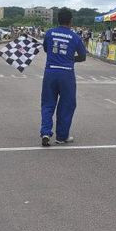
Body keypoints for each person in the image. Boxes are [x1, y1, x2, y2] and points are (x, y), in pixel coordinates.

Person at [41, 8, 87, 146]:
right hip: (67, 73)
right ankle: (61, 136)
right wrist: (72, 59)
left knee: (48, 103)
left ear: (58, 20)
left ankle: (45, 132)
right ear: (71, 21)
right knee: (67, 105)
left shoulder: (49, 33)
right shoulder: (75, 37)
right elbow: (83, 56)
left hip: (50, 72)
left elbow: (45, 49)